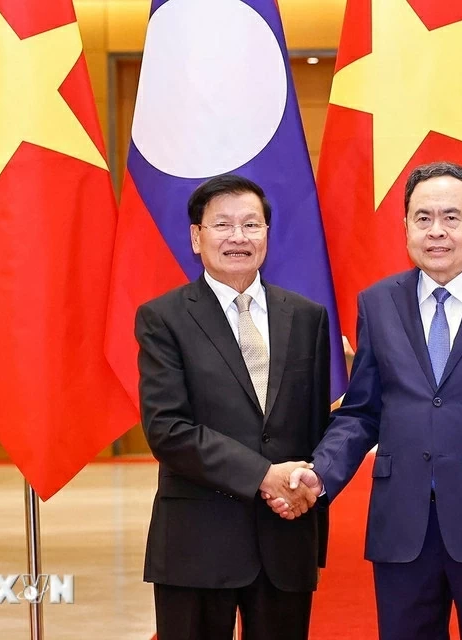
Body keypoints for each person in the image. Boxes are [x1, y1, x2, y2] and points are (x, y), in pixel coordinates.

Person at [268, 162, 462, 640]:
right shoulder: (378, 302)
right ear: (405, 226)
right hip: (402, 527)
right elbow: (363, 411)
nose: (437, 231)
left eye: (452, 217)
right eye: (422, 217)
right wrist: (319, 473)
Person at [136, 174, 330, 640]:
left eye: (252, 225)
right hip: (197, 541)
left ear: (267, 234)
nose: (238, 237)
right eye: (222, 225)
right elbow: (168, 430)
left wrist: (307, 495)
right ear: (196, 237)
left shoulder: (307, 317)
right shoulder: (163, 318)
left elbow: (315, 429)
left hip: (285, 536)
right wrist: (263, 475)